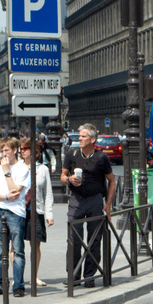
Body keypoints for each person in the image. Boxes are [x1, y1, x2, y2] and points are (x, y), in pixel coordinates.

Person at [60, 123, 116, 287]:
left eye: (83, 136)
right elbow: (62, 177)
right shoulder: (72, 153)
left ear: (92, 139)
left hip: (95, 200)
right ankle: (74, 275)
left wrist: (108, 204)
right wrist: (69, 179)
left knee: (94, 239)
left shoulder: (101, 157)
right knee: (74, 238)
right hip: (76, 199)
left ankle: (89, 276)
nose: (80, 138)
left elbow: (111, 181)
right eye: (80, 136)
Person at [0, 138, 31, 298]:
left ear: (14, 151)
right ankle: (1, 284)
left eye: (7, 150)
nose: (4, 154)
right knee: (1, 251)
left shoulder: (22, 169)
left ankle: (18, 286)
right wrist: (5, 196)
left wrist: (7, 172)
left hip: (16, 214)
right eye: (2, 151)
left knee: (18, 250)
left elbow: (17, 192)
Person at [20, 139, 54, 286]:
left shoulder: (43, 169)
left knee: (36, 244)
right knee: (16, 246)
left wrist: (49, 215)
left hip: (37, 210)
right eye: (21, 149)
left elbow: (48, 193)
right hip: (19, 211)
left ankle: (34, 276)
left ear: (35, 151)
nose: (22, 151)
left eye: (26, 148)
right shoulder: (17, 168)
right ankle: (18, 276)